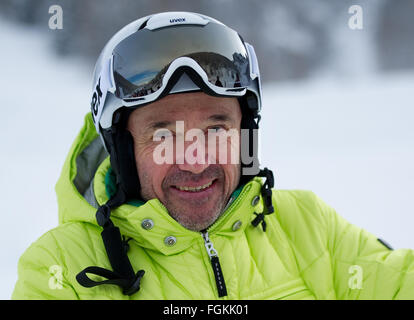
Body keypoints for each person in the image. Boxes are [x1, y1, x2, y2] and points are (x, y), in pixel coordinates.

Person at [12, 11, 414, 300]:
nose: (195, 161)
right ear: (122, 149)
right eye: (164, 132)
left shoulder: (306, 226)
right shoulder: (62, 270)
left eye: (217, 129)